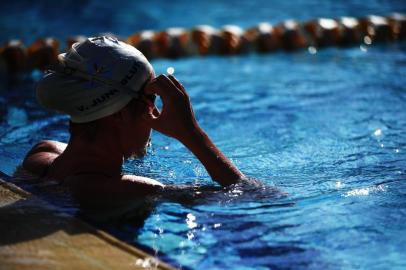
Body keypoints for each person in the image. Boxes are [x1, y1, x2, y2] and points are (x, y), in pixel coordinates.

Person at [22, 36, 247, 206]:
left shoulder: (40, 154)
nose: (156, 111)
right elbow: (251, 196)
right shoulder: (133, 190)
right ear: (117, 112)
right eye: (151, 99)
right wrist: (191, 133)